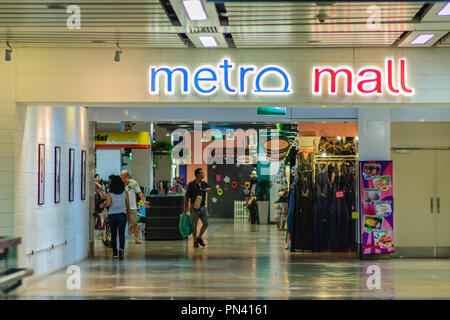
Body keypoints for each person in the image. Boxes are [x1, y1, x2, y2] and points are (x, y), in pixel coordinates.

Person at [184, 168, 212, 248]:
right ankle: (195, 241)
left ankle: (199, 237)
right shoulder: (191, 184)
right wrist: (185, 208)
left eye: (203, 173)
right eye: (202, 173)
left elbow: (210, 188)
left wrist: (207, 189)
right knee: (194, 225)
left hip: (203, 207)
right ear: (197, 175)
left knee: (206, 223)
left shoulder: (204, 184)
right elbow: (187, 197)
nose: (203, 174)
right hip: (194, 208)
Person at [120, 170, 150, 244]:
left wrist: (144, 201)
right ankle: (121, 238)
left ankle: (136, 239)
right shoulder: (120, 184)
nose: (121, 177)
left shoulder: (133, 183)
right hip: (122, 207)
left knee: (135, 223)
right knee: (122, 223)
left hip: (132, 207)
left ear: (126, 176)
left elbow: (140, 193)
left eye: (122, 176)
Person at [105, 175, 130, 260]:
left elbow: (108, 204)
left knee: (114, 234)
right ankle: (121, 249)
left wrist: (103, 204)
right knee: (121, 234)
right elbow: (127, 205)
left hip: (112, 215)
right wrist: (128, 215)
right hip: (122, 215)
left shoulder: (109, 193)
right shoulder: (125, 192)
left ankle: (115, 253)